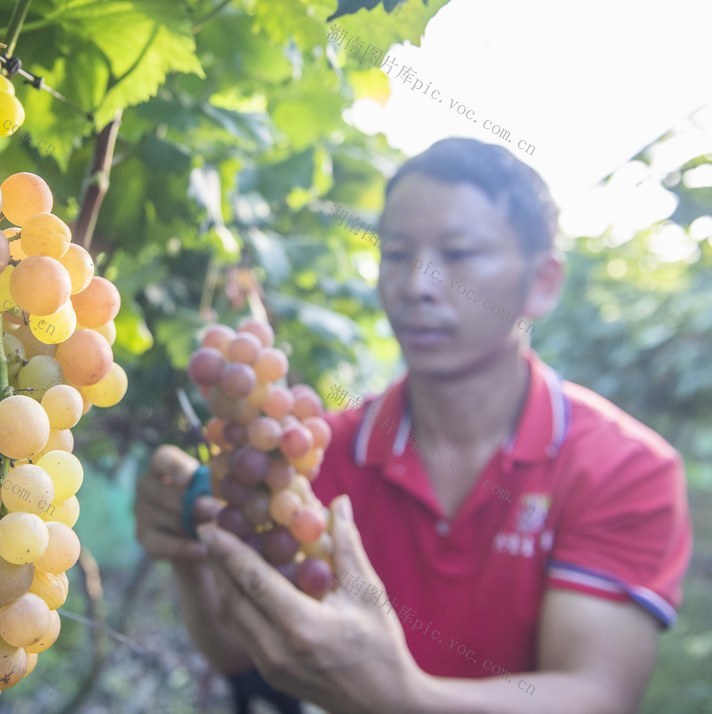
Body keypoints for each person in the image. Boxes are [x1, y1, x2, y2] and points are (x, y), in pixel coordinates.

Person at [134, 138, 692, 713]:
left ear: (543, 282)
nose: (417, 286)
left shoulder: (625, 468)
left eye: (458, 254)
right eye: (397, 254)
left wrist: (402, 699)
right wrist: (191, 557)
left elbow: (597, 695)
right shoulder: (317, 449)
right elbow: (244, 654)